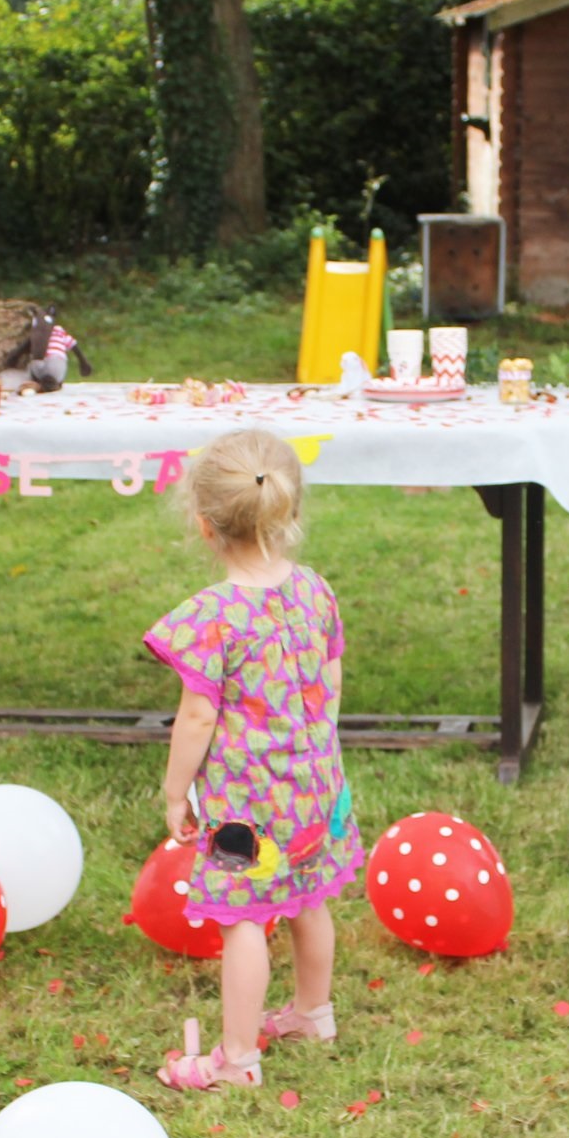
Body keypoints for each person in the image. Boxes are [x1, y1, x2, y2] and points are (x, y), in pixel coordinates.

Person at [145, 429, 359, 1091]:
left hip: (250, 807)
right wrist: (316, 747)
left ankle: (236, 1060)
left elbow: (199, 716)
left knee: (242, 920)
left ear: (204, 525)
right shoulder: (314, 591)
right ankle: (312, 1013)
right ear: (287, 511)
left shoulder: (212, 617)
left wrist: (176, 792)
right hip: (314, 785)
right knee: (307, 897)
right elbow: (329, 681)